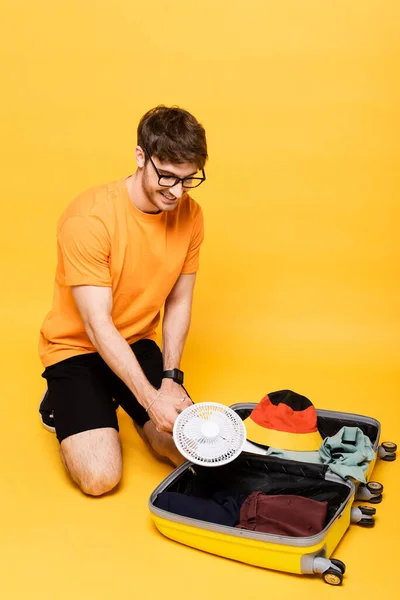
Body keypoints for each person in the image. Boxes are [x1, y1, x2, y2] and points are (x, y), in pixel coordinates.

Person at [38, 105, 208, 496]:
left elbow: (179, 303)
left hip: (135, 342)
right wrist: (149, 401)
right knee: (101, 478)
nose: (177, 191)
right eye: (166, 175)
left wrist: (169, 380)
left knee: (191, 452)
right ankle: (64, 399)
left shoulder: (191, 215)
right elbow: (97, 325)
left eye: (188, 179)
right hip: (76, 348)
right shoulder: (90, 219)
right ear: (140, 156)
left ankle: (125, 394)